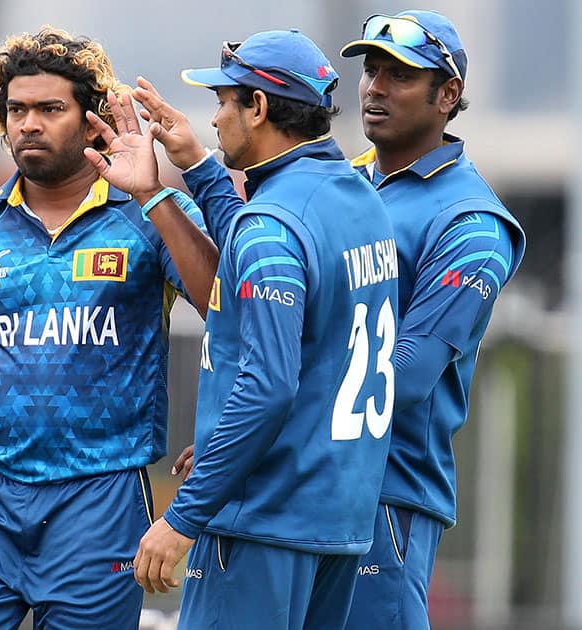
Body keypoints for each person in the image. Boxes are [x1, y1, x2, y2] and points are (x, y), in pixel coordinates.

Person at [0, 26, 217, 629]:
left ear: (90, 118)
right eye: (17, 110)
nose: (29, 123)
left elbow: (227, 309)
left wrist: (155, 195)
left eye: (50, 109)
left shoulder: (147, 216)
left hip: (99, 502)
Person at [96, 30, 400, 628]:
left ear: (258, 107)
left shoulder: (273, 224)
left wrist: (182, 518)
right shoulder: (358, 199)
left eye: (224, 103)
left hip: (263, 521)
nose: (213, 120)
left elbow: (266, 388)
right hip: (337, 520)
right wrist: (191, 171)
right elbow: (262, 250)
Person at [336, 11, 526, 628]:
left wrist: (276, 415)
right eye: (371, 71)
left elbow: (407, 373)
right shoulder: (342, 184)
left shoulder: (472, 222)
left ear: (448, 96)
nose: (375, 88)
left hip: (386, 495)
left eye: (400, 75)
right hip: (306, 479)